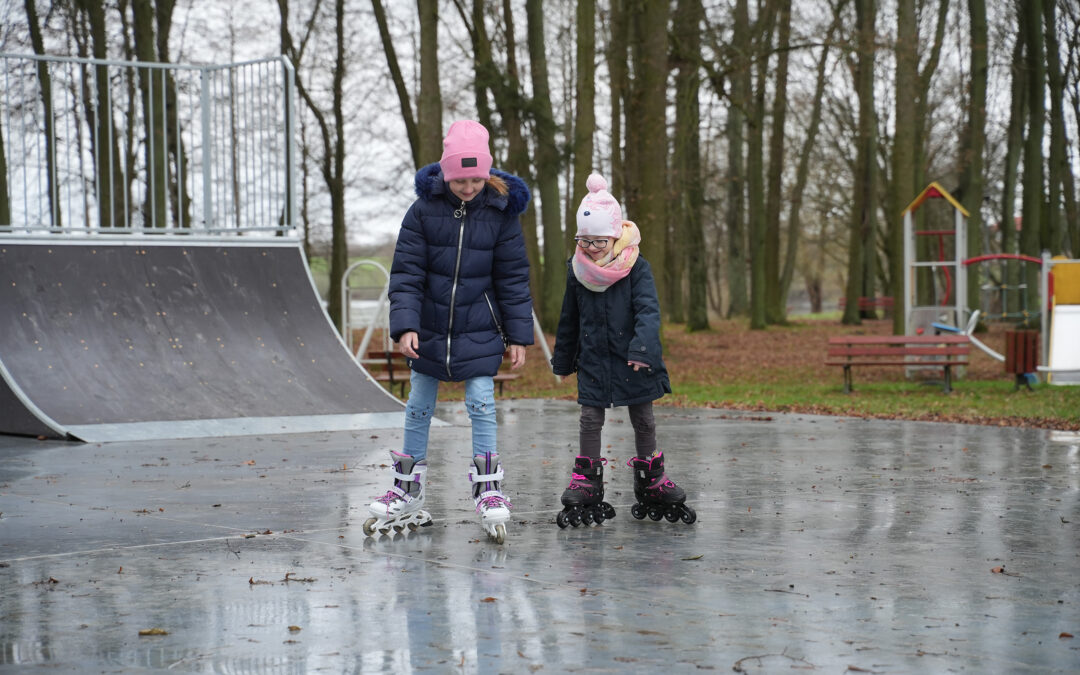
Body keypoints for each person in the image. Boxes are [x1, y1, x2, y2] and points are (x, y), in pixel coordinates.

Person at [362, 120, 533, 544]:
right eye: (460, 179)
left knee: (480, 402)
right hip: (430, 330)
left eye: (476, 178)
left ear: (488, 174)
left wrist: (518, 335)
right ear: (446, 172)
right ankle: (408, 488)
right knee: (418, 404)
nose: (469, 187)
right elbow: (406, 274)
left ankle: (488, 487)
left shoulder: (500, 213)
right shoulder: (422, 212)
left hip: (480, 328)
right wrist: (405, 326)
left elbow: (513, 279)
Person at [550, 173, 696, 528]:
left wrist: (642, 349)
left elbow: (649, 311)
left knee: (643, 418)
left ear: (615, 236)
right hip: (594, 358)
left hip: (634, 359)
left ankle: (651, 479)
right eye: (584, 241)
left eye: (599, 240)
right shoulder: (577, 271)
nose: (591, 248)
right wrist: (563, 358)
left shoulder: (636, 267)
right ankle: (587, 480)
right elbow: (569, 316)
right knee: (590, 417)